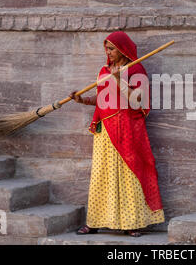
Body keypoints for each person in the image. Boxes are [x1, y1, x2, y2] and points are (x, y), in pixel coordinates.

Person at [69, 31, 165, 237]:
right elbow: (103, 98)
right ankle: (95, 222)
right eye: (107, 48)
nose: (108, 52)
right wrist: (82, 100)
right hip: (106, 130)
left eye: (111, 48)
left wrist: (120, 79)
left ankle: (131, 223)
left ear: (122, 49)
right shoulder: (104, 70)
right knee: (102, 175)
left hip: (128, 129)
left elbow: (138, 102)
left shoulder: (136, 69)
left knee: (129, 173)